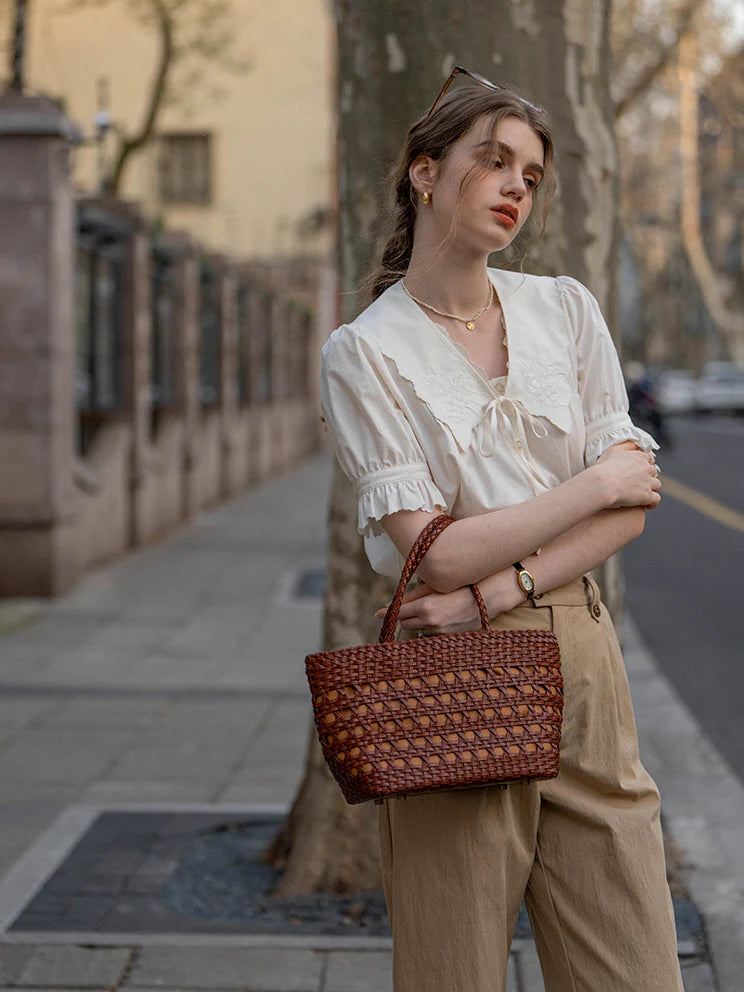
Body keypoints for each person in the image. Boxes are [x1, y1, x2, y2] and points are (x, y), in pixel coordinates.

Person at [320, 67, 683, 992]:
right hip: (456, 683)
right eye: (494, 161)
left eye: (531, 172)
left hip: (582, 661)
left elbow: (633, 505)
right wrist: (591, 484)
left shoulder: (563, 309)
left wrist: (498, 586)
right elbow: (434, 550)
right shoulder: (366, 351)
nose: (518, 185)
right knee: (456, 969)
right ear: (424, 173)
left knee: (633, 966)